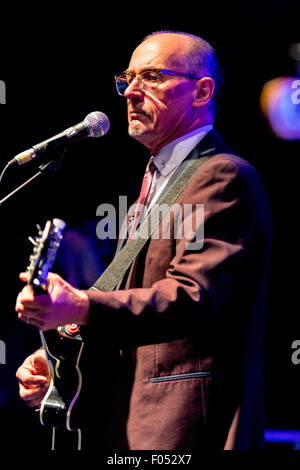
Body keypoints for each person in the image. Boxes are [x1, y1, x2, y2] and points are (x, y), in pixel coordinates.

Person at [15, 31, 272, 450]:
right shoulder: (155, 185)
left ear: (201, 91)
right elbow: (131, 308)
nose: (131, 92)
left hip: (181, 424)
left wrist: (80, 304)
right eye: (127, 79)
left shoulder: (221, 175)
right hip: (129, 422)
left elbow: (191, 297)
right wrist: (61, 360)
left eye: (151, 77)